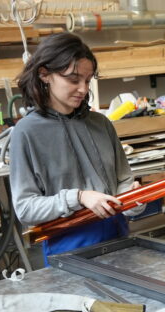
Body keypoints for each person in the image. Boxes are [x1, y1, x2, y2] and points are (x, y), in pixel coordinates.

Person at [9, 32, 140, 264]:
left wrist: (135, 201)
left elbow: (123, 182)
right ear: (44, 75)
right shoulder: (26, 133)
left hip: (119, 238)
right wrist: (79, 197)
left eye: (88, 80)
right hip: (69, 247)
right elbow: (26, 209)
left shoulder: (101, 124)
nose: (83, 89)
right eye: (73, 79)